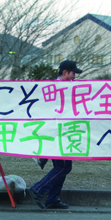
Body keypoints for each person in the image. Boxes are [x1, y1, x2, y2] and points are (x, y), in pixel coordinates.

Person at [27, 60, 82, 210]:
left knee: (63, 165)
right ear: (65, 72)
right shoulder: (60, 88)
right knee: (63, 166)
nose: (75, 77)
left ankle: (52, 198)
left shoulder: (55, 88)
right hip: (58, 133)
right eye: (73, 73)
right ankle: (38, 189)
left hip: (60, 132)